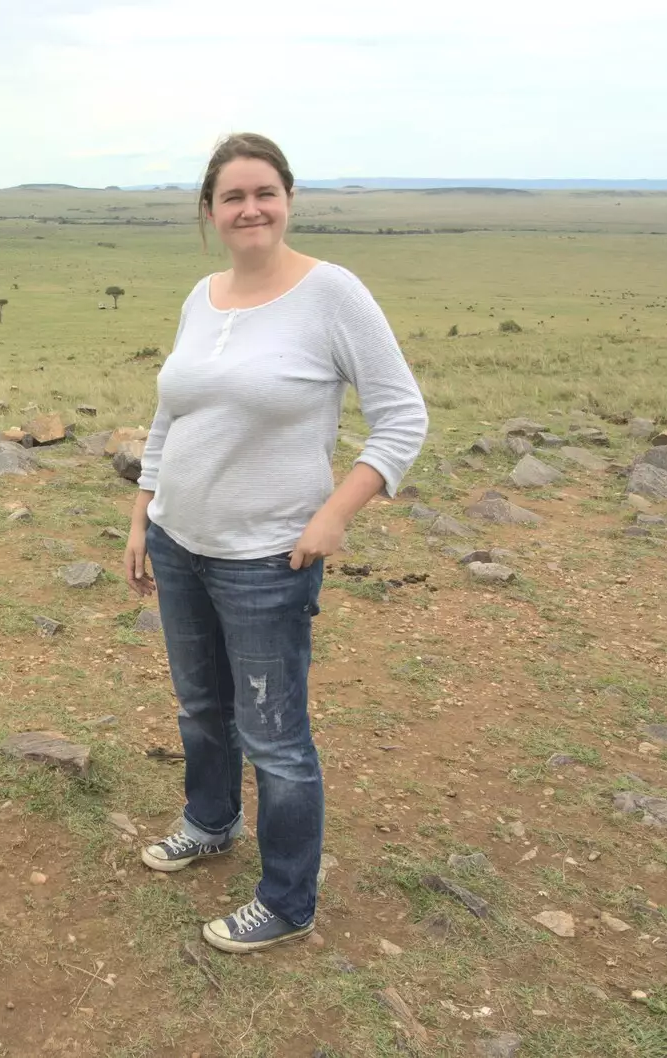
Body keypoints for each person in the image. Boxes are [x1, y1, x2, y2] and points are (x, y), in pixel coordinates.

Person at [124, 133, 427, 954]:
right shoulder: (203, 294)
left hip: (268, 557)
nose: (250, 208)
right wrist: (144, 509)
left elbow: (403, 417)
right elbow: (171, 414)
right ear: (211, 212)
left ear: (288, 199)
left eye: (264, 192)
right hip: (182, 541)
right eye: (233, 197)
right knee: (200, 709)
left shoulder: (332, 294)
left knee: (276, 739)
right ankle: (209, 821)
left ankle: (289, 900)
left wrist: (336, 514)